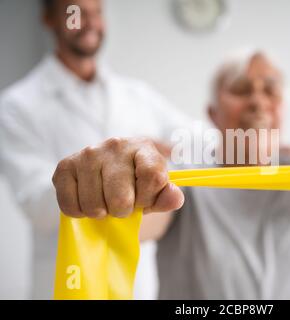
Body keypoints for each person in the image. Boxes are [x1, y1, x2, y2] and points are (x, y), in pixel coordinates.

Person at [50, 51, 290, 299]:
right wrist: (116, 186)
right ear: (212, 113)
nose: (258, 98)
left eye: (270, 90)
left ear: (282, 110)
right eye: (241, 89)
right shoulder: (183, 176)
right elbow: (139, 217)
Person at [0, 0, 187, 299]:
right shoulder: (16, 105)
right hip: (66, 280)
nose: (90, 22)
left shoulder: (136, 95)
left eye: (97, 12)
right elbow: (35, 203)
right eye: (76, 12)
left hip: (137, 284)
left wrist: (165, 154)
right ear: (49, 19)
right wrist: (105, 177)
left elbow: (199, 140)